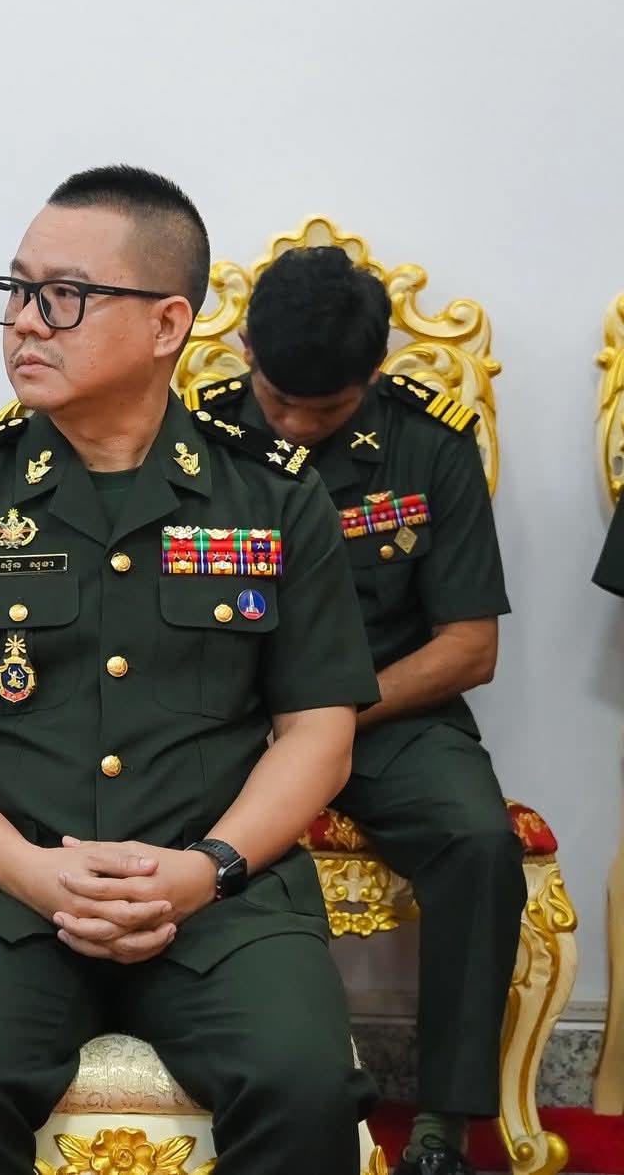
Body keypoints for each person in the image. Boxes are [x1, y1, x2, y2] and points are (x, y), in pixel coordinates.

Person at [0, 166, 379, 1174]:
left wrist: (206, 868)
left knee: (304, 1086)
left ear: (167, 323)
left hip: (221, 898)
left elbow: (317, 732)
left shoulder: (271, 498)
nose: (24, 322)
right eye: (16, 290)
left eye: (64, 297)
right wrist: (29, 871)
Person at [198, 246, 520, 1173]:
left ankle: (444, 1126)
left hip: (386, 714)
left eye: (326, 409)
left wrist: (330, 714)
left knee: (479, 843)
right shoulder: (193, 434)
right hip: (227, 714)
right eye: (278, 401)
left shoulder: (431, 444)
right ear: (246, 350)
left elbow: (468, 648)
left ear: (374, 372)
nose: (296, 427)